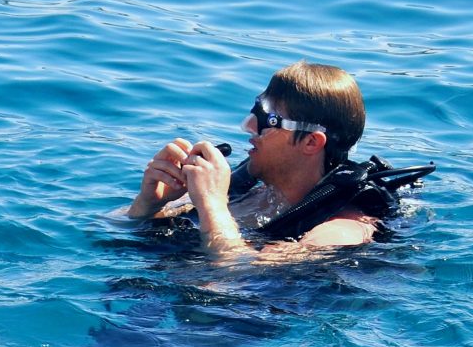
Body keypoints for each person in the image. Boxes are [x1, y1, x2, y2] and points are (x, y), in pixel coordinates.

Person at [121, 61, 430, 261]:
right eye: (254, 111)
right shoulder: (249, 193)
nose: (248, 127)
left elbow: (240, 274)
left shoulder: (344, 229)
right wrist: (148, 202)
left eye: (267, 120)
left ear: (311, 142)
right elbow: (109, 226)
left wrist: (212, 205)